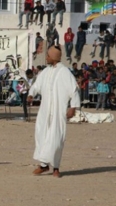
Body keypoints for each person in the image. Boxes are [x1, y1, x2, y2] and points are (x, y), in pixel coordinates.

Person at [27, 45, 80, 178]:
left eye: (48, 56)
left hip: (58, 112)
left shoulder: (65, 72)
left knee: (56, 139)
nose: (46, 58)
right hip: (44, 111)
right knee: (42, 135)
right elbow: (36, 85)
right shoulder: (45, 72)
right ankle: (44, 165)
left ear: (54, 58)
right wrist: (31, 94)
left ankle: (56, 167)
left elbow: (74, 90)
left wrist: (73, 107)